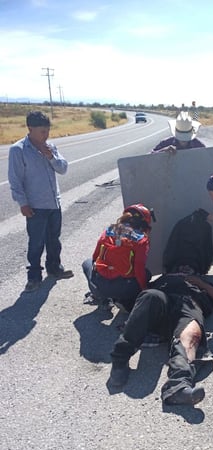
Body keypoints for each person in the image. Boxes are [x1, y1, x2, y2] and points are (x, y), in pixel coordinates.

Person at [108, 265, 213, 406]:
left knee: (193, 334)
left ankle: (178, 388)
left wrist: (199, 283)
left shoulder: (202, 282)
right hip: (161, 306)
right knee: (151, 296)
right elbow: (137, 300)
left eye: (188, 266)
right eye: (180, 264)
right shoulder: (162, 279)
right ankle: (120, 362)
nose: (184, 267)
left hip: (190, 307)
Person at [8, 110, 73, 292]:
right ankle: (34, 277)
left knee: (54, 239)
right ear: (30, 129)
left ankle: (54, 268)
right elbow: (15, 180)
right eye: (42, 131)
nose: (46, 135)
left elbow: (63, 169)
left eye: (48, 130)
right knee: (36, 242)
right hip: (35, 206)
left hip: (54, 203)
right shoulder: (18, 150)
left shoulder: (50, 146)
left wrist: (50, 156)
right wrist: (23, 203)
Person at [82, 203, 153, 312]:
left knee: (87, 263)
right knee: (146, 274)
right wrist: (145, 290)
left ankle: (100, 295)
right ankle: (126, 300)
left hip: (100, 284)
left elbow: (95, 256)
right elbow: (139, 270)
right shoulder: (141, 240)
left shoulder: (109, 230)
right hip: (123, 287)